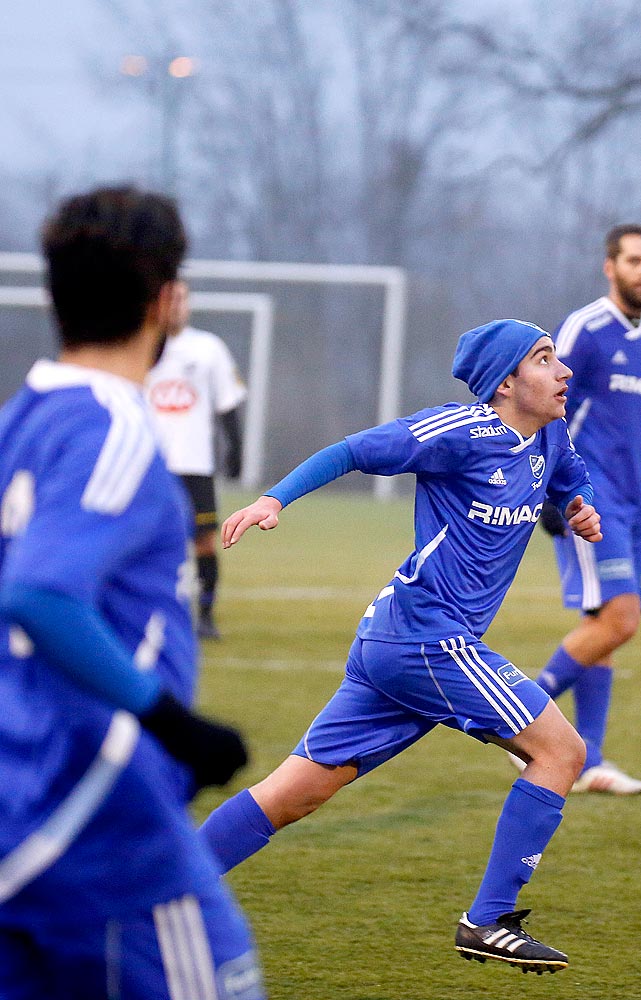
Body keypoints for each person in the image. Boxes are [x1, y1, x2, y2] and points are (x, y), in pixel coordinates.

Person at [199, 319, 602, 974]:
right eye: (544, 358)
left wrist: (579, 502)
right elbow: (354, 450)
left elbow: (569, 471)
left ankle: (150, 891)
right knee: (561, 750)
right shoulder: (460, 432)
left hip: (398, 647)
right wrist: (275, 499)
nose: (564, 372)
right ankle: (488, 920)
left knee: (291, 795)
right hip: (424, 638)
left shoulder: (548, 436)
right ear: (505, 382)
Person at [0, 186, 261, 999]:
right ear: (165, 299)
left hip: (23, 790)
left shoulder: (20, 421)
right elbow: (40, 594)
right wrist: (175, 723)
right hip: (103, 809)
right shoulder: (110, 426)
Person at [535, 224, 641, 795]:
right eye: (634, 261)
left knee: (603, 626)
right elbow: (547, 410)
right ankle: (519, 716)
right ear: (610, 266)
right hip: (588, 498)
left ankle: (589, 758)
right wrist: (550, 493)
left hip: (631, 505)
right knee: (620, 620)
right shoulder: (586, 329)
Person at [146, 281, 247, 640]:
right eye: (168, 297)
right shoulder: (140, 344)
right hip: (149, 463)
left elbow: (227, 403)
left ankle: (204, 614)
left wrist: (235, 447)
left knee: (204, 541)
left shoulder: (208, 348)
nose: (175, 305)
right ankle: (144, 610)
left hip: (194, 464)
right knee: (141, 539)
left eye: (181, 298)